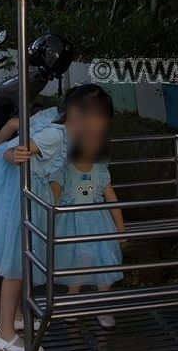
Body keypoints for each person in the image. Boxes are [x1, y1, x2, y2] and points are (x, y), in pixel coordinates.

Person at [0, 84, 114, 351]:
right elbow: (17, 151)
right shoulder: (56, 135)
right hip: (23, 197)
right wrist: (10, 153)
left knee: (19, 261)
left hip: (25, 192)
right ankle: (5, 334)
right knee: (17, 265)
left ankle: (16, 315)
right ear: (79, 117)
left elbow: (14, 126)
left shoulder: (56, 122)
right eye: (99, 118)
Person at [49, 119, 124, 329]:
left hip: (99, 223)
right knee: (77, 263)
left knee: (104, 260)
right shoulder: (63, 170)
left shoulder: (100, 171)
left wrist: (120, 229)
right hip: (70, 224)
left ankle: (103, 306)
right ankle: (73, 303)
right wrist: (49, 221)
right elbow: (53, 198)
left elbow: (112, 199)